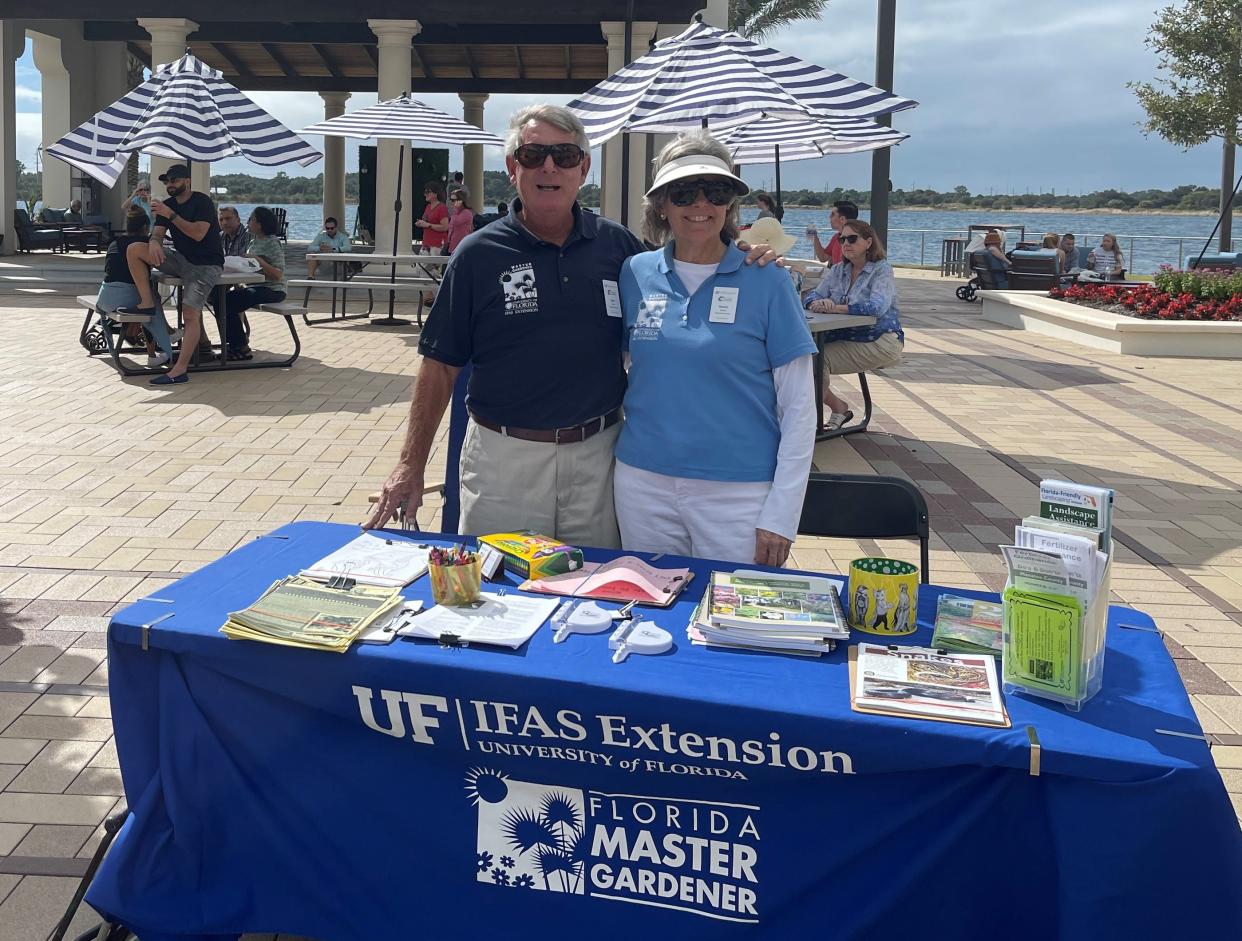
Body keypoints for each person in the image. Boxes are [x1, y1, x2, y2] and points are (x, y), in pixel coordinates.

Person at [362, 104, 778, 542]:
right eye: (533, 155)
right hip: (505, 460)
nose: (549, 167)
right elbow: (439, 365)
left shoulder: (618, 247)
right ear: (511, 167)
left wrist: (749, 253)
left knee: (598, 593)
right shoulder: (476, 255)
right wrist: (410, 465)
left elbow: (689, 266)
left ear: (583, 168)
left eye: (563, 156)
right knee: (499, 593)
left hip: (599, 458)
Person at [615, 131, 816, 567]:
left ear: (730, 204)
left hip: (738, 492)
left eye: (716, 191)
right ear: (662, 204)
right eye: (684, 193)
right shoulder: (635, 272)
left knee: (734, 621)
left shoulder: (767, 278)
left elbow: (800, 405)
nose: (701, 205)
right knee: (651, 613)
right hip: (642, 483)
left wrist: (782, 513)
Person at [118, 163, 224, 386]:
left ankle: (180, 370)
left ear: (187, 181)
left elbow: (198, 234)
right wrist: (154, 243)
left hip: (206, 266)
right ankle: (147, 302)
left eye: (174, 180)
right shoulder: (167, 205)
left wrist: (170, 215)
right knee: (135, 249)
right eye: (167, 181)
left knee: (190, 313)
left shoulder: (202, 202)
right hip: (181, 259)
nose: (169, 185)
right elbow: (157, 232)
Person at [802, 219, 904, 431]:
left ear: (868, 242)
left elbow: (877, 307)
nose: (845, 243)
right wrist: (816, 302)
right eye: (842, 239)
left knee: (816, 360)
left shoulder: (881, 270)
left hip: (881, 340)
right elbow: (811, 295)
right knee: (799, 356)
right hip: (845, 336)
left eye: (851, 238)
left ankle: (803, 425)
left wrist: (834, 308)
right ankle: (837, 408)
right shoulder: (838, 270)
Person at [96, 209, 175, 368]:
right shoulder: (142, 244)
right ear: (146, 226)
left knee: (150, 296)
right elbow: (158, 264)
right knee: (150, 304)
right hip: (123, 297)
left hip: (105, 297)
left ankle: (168, 332)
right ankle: (154, 353)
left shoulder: (114, 242)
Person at [221, 207, 286, 361]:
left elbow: (278, 274)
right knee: (222, 300)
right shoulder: (253, 240)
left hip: (272, 289)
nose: (248, 223)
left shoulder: (272, 242)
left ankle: (240, 346)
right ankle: (235, 345)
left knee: (228, 302)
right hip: (254, 286)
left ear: (260, 224)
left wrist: (258, 261)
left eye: (251, 220)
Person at [811, 200, 858, 266]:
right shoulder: (836, 237)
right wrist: (814, 236)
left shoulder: (857, 240)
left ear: (842, 219)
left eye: (832, 214)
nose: (829, 217)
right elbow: (823, 258)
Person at [416, 181, 450, 254]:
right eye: (425, 192)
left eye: (428, 191)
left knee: (434, 265)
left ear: (436, 193)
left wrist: (428, 225)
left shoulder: (442, 208)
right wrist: (421, 223)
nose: (425, 194)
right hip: (426, 244)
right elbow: (426, 221)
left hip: (437, 245)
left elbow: (445, 227)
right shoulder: (428, 207)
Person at [446, 187, 476, 254]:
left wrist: (455, 209)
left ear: (460, 200)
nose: (451, 202)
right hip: (452, 246)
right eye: (451, 199)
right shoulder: (456, 213)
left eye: (453, 200)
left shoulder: (466, 213)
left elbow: (456, 222)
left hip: (461, 247)